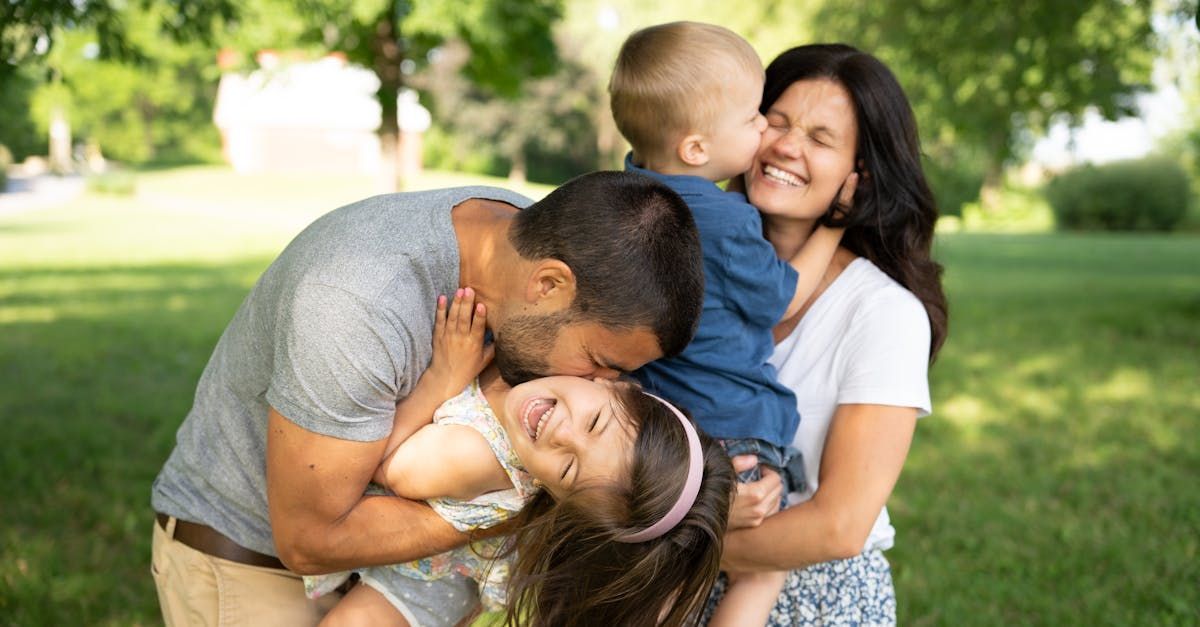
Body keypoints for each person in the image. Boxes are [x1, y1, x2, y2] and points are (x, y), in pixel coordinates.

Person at [149, 171, 707, 626]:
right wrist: (510, 512)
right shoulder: (355, 304)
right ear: (549, 285)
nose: (599, 384)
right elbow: (310, 541)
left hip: (374, 579)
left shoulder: (522, 244)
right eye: (600, 362)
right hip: (248, 564)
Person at [608, 22, 855, 626]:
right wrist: (835, 226)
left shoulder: (623, 192)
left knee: (658, 575)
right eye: (755, 118)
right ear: (696, 149)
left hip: (659, 425)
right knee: (761, 570)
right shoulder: (722, 219)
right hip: (734, 423)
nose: (766, 130)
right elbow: (780, 298)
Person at [699, 44, 950, 625]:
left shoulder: (883, 313)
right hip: (666, 585)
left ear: (860, 175)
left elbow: (839, 524)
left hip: (811, 595)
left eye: (820, 138)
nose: (786, 146)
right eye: (776, 122)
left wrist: (667, 547)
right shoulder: (683, 263)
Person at [307, 290, 735, 626]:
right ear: (618, 385)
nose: (560, 434)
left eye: (568, 469)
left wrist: (443, 378)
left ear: (554, 494)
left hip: (428, 582)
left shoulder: (479, 456)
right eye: (594, 424)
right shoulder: (548, 366)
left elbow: (388, 467)